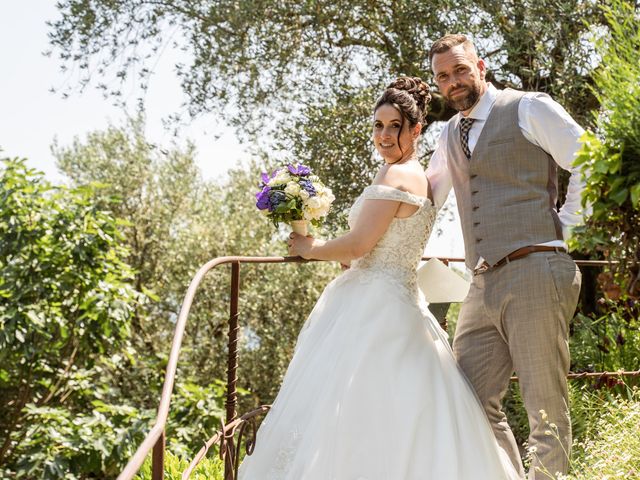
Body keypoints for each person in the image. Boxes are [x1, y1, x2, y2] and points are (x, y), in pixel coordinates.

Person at [238, 77, 520, 479]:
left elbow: (357, 245)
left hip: (376, 305)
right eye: (378, 125)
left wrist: (309, 248)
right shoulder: (412, 174)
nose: (384, 135)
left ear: (416, 129)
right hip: (396, 297)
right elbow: (376, 245)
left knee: (353, 408)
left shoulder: (396, 176)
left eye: (395, 127)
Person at [425, 34, 586, 480]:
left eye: (460, 70)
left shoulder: (528, 107)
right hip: (481, 281)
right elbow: (424, 198)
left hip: (536, 268)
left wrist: (566, 227)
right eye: (443, 76)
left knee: (544, 409)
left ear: (480, 65)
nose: (453, 82)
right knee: (468, 404)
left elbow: (589, 159)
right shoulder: (448, 135)